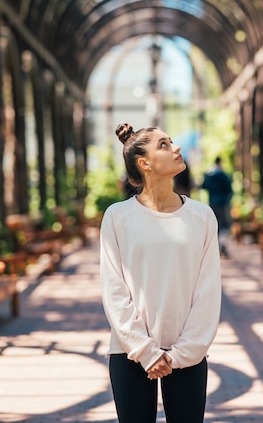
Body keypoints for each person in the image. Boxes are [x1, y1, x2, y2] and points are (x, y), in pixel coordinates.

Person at [100, 123, 222, 423]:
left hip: (188, 354)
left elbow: (208, 290)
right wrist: (145, 351)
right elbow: (114, 289)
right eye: (164, 145)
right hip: (130, 352)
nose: (176, 148)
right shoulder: (117, 217)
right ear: (144, 163)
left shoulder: (202, 216)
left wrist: (183, 353)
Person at [200, 156, 233, 258]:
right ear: (221, 162)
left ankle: (215, 247)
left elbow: (203, 186)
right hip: (222, 204)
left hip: (212, 203)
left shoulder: (209, 175)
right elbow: (229, 190)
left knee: (215, 225)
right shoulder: (223, 175)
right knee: (224, 225)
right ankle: (222, 244)